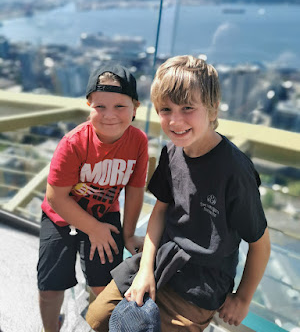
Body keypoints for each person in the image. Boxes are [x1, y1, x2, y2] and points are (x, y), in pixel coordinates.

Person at [86, 55, 271, 332]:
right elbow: (159, 211)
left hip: (201, 282)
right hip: (161, 260)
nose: (175, 121)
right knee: (98, 317)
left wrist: (243, 298)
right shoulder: (172, 152)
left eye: (187, 107)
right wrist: (145, 269)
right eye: (165, 109)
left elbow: (260, 243)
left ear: (213, 108)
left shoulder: (234, 171)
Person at [37, 64, 149, 332]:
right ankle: (50, 328)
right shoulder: (74, 142)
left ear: (135, 107)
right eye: (100, 106)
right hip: (62, 216)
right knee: (51, 287)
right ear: (89, 105)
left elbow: (135, 190)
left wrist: (129, 234)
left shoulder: (138, 141)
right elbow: (56, 197)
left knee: (106, 287)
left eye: (120, 107)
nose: (109, 115)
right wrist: (94, 229)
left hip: (104, 212)